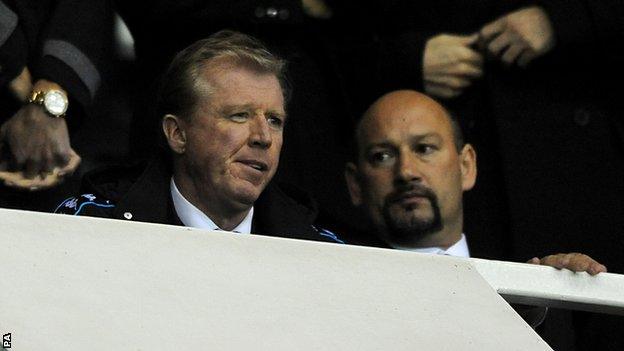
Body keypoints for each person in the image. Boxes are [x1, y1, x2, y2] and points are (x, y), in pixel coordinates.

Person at [55, 30, 342, 244]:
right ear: (177, 134)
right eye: (239, 115)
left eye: (274, 120)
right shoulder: (91, 226)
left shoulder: (323, 250)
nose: (263, 137)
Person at [344, 90, 606, 275]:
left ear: (466, 166)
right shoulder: (333, 289)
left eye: (424, 148)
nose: (406, 171)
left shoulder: (537, 292)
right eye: (382, 156)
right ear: (355, 184)